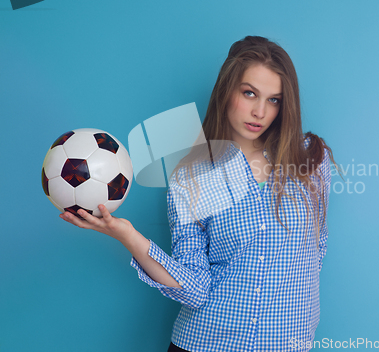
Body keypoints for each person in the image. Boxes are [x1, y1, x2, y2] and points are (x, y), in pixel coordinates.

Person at [60, 35, 339, 352]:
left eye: (274, 99)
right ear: (226, 91)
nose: (260, 111)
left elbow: (317, 247)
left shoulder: (312, 160)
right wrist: (127, 236)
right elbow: (195, 289)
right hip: (208, 342)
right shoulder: (192, 177)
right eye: (249, 93)